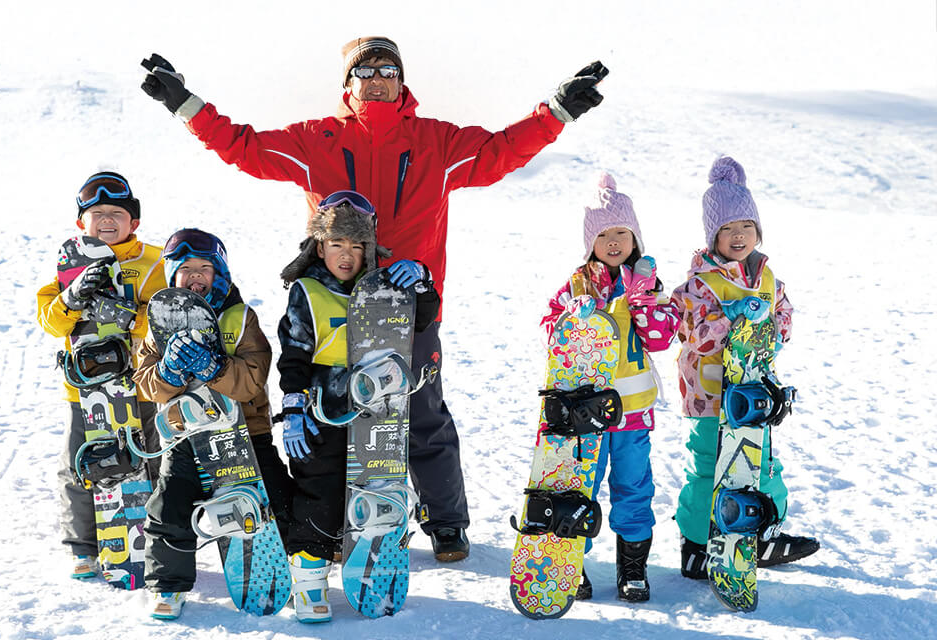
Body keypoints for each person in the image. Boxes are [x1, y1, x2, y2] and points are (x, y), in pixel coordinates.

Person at [139, 39, 609, 560]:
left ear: (401, 80)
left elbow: (502, 151)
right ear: (349, 83)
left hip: (407, 311)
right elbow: (244, 148)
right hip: (330, 312)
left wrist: (558, 111)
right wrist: (186, 105)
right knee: (329, 419)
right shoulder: (317, 141)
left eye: (388, 69)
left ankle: (445, 521)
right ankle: (326, 529)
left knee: (423, 414)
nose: (378, 78)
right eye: (366, 70)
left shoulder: (435, 141)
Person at [275, 191, 440, 623]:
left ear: (369, 247)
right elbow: (293, 352)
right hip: (324, 410)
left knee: (374, 490)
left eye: (356, 245)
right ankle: (308, 580)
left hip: (377, 411)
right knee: (321, 491)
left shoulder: (386, 287)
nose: (346, 256)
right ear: (319, 246)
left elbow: (421, 318)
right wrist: (294, 408)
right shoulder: (306, 291)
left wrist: (422, 281)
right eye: (336, 245)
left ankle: (373, 568)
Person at [132, 228, 294, 620]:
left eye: (205, 267)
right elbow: (146, 383)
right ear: (172, 275)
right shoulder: (158, 321)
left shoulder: (239, 318)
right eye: (185, 268)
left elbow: (254, 376)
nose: (196, 276)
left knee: (276, 496)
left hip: (245, 435)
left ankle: (299, 562)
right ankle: (168, 584)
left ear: (219, 273)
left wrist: (214, 367)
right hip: (187, 437)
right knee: (169, 504)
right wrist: (169, 370)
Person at [672, 156, 819, 580]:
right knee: (708, 464)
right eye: (728, 230)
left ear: (757, 231)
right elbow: (695, 332)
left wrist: (774, 325)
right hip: (710, 392)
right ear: (713, 235)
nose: (738, 236)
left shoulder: (767, 275)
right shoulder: (700, 280)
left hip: (754, 390)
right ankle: (697, 542)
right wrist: (734, 317)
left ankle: (765, 532)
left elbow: (784, 313)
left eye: (746, 228)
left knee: (762, 461)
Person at [539, 173, 679, 602]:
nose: (614, 241)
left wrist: (643, 305)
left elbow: (661, 337)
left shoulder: (647, 285)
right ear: (590, 242)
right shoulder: (577, 285)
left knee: (634, 488)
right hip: (586, 415)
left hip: (633, 415)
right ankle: (570, 561)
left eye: (622, 232)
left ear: (635, 238)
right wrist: (572, 319)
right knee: (580, 485)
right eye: (604, 234)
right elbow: (551, 333)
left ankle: (632, 567)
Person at [36, 171, 165, 579]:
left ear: (134, 222)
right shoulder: (68, 264)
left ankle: (154, 537)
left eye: (117, 213)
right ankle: (83, 544)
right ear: (82, 223)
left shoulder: (155, 261)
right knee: (80, 461)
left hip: (140, 383)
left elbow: (167, 316)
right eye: (97, 213)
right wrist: (72, 297)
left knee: (148, 459)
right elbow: (51, 322)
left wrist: (126, 314)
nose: (107, 220)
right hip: (86, 389)